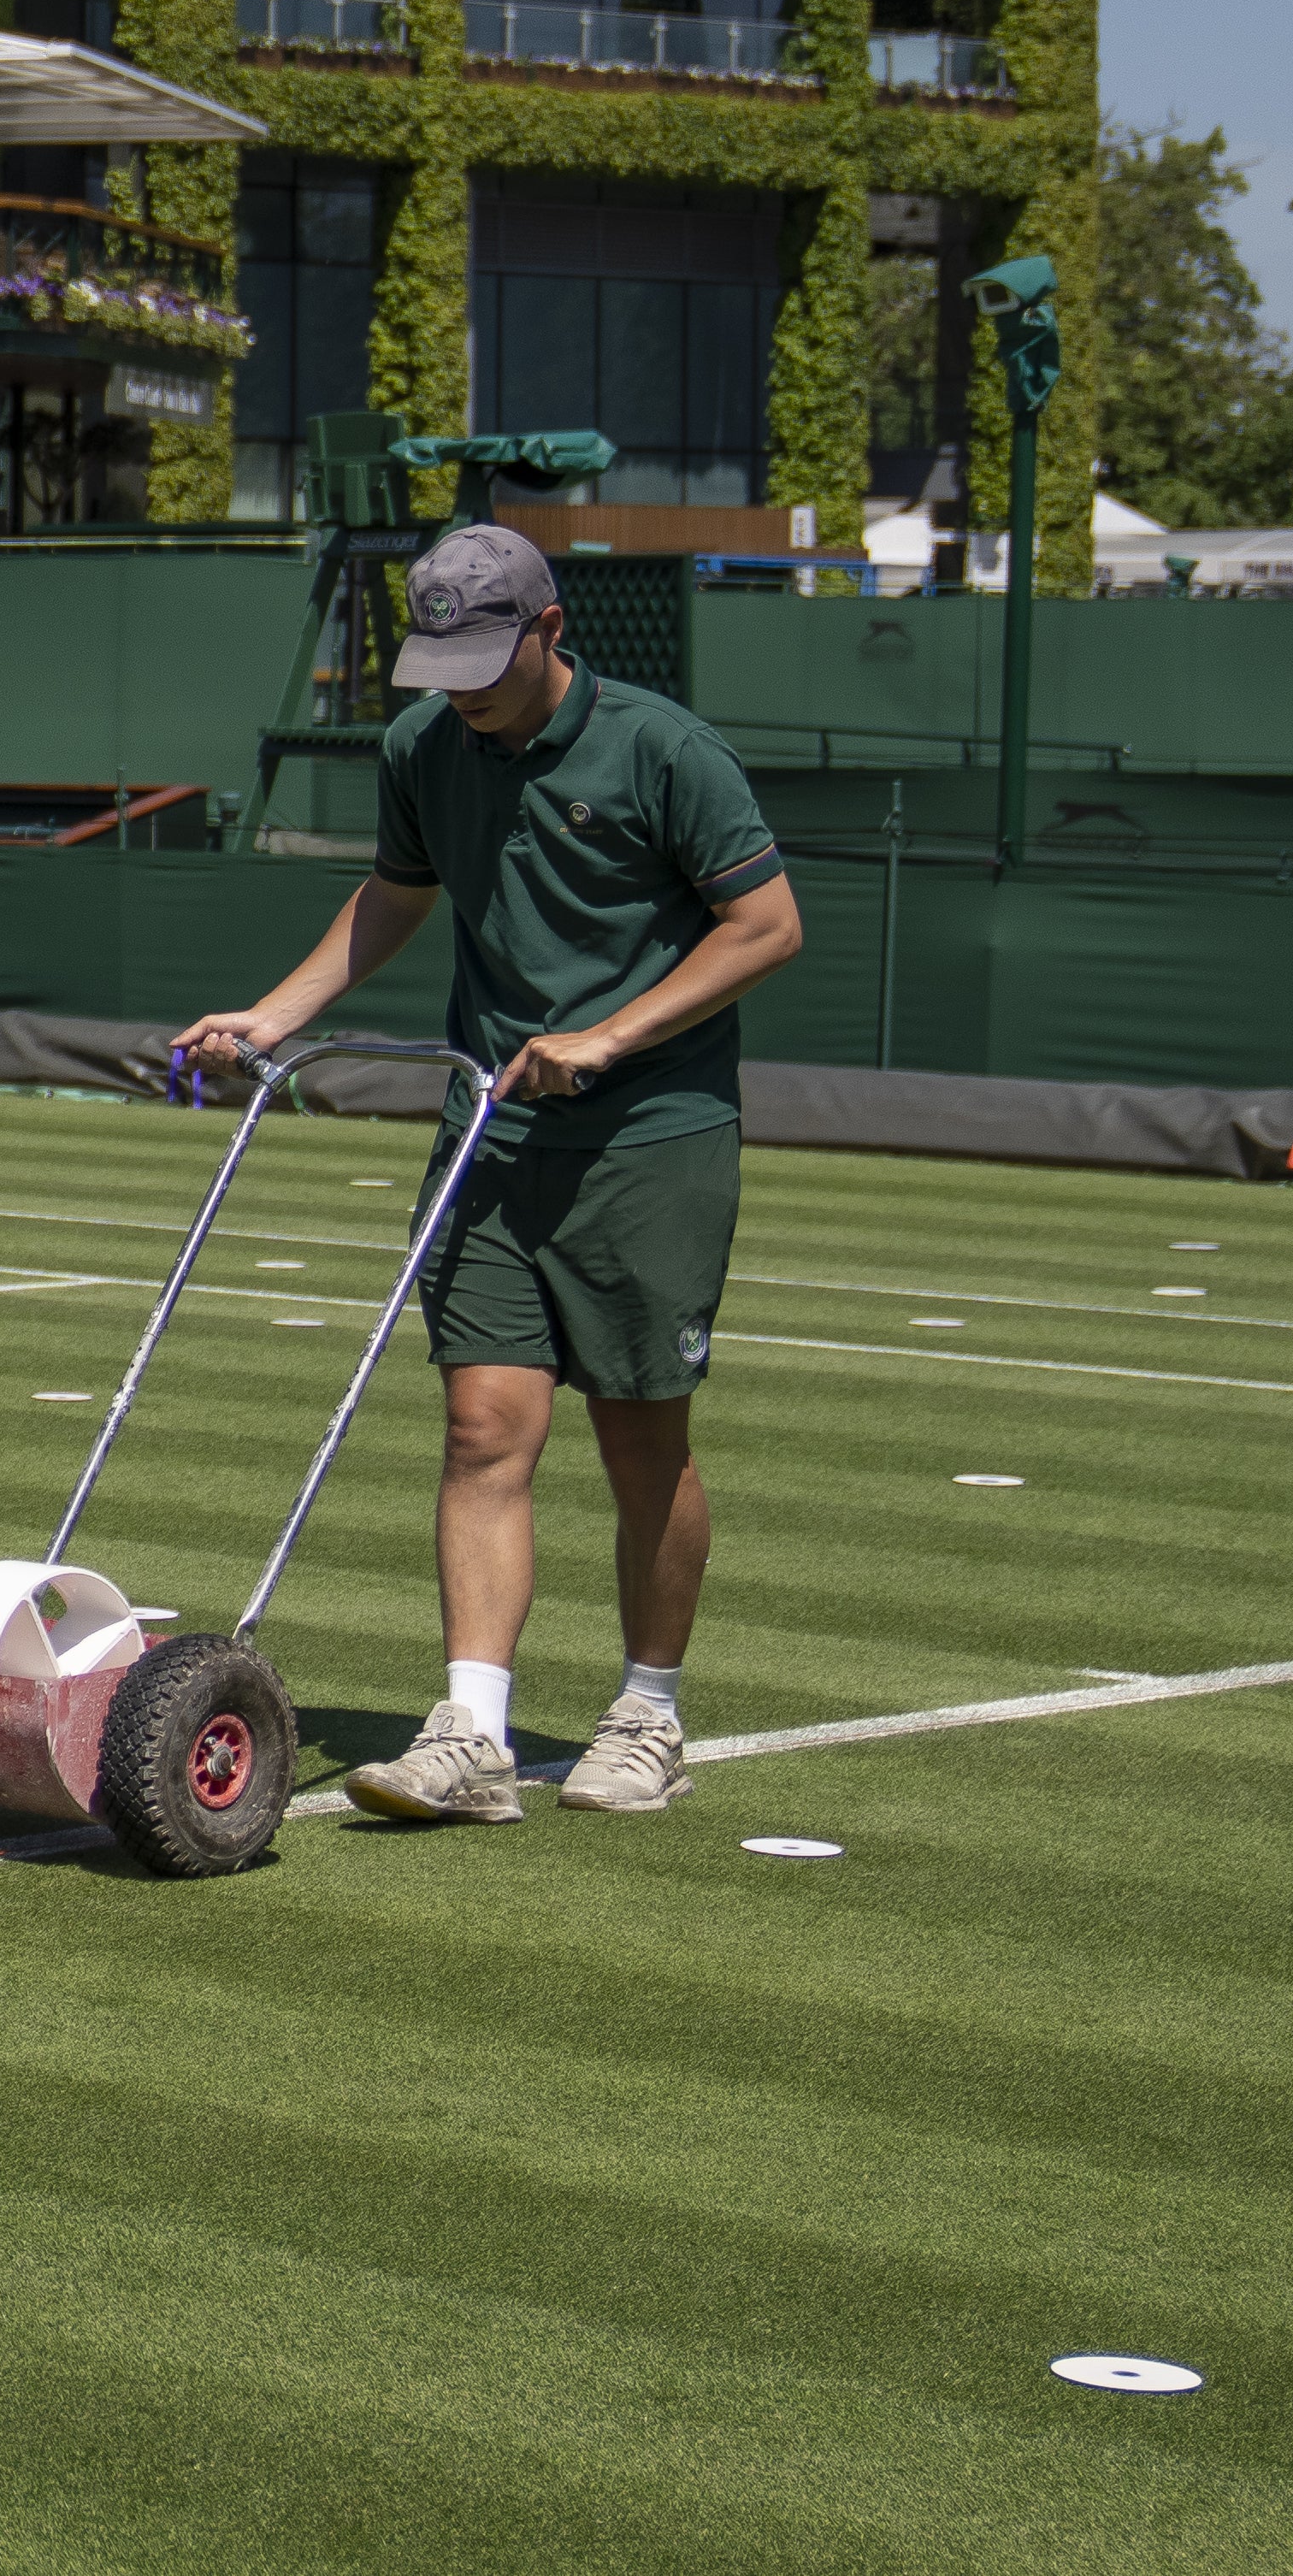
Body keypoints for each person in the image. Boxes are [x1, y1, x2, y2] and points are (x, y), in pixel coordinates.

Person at [173, 521, 805, 1826]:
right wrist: (276, 1015)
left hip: (650, 1138)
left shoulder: (663, 751)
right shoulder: (422, 747)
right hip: (490, 1133)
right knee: (481, 1429)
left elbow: (768, 924)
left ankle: (650, 1711)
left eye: (485, 660)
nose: (461, 689)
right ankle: (472, 1731)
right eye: (440, 661)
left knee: (641, 1440)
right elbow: (398, 894)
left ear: (550, 630)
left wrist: (609, 1037)